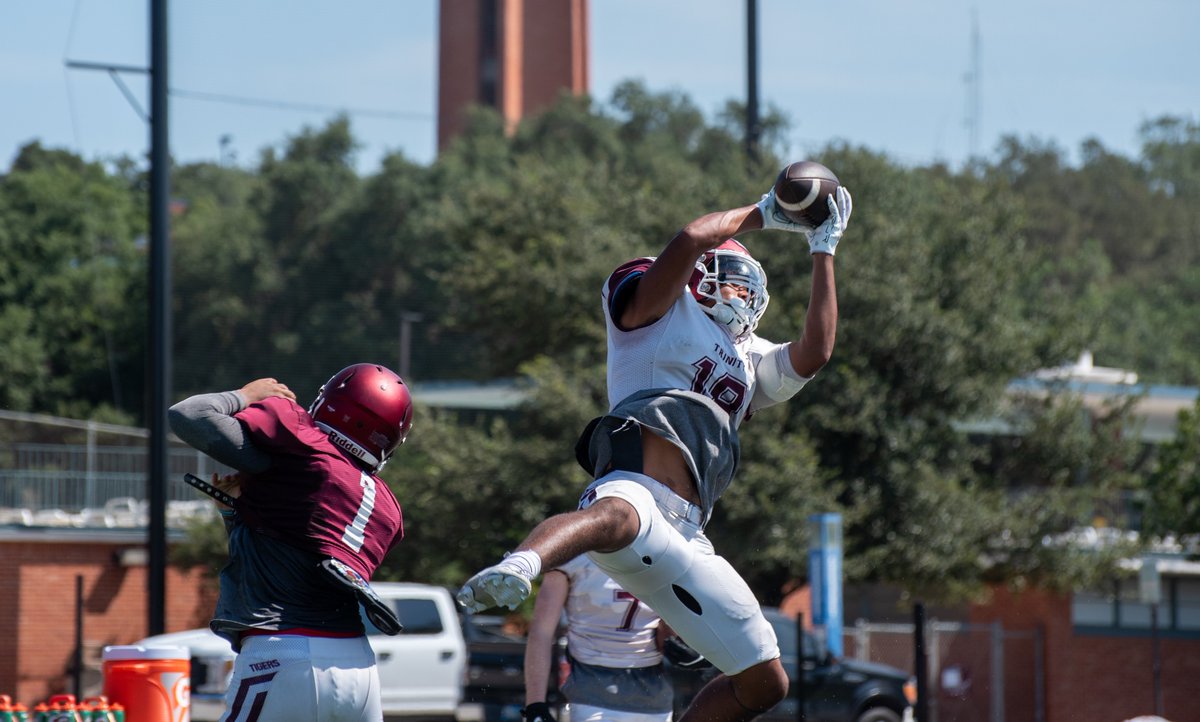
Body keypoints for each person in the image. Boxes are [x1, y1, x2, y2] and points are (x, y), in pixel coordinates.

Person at [458, 179, 852, 722]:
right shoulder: (658, 313)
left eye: (748, 289)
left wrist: (823, 251)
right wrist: (764, 212)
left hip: (689, 531)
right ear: (698, 279)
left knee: (765, 682)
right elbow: (690, 238)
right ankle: (521, 564)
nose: (741, 296)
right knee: (616, 515)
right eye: (732, 282)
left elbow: (816, 352)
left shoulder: (749, 358)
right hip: (635, 484)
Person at [168, 363, 414, 722]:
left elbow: (188, 415)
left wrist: (246, 395)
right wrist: (236, 512)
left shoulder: (305, 444)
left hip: (283, 652)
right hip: (358, 667)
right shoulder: (386, 507)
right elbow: (300, 550)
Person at [523, 555, 679, 722]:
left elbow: (541, 633)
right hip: (602, 686)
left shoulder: (570, 556)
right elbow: (541, 632)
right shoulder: (660, 551)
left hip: (641, 686)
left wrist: (535, 703)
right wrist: (535, 704)